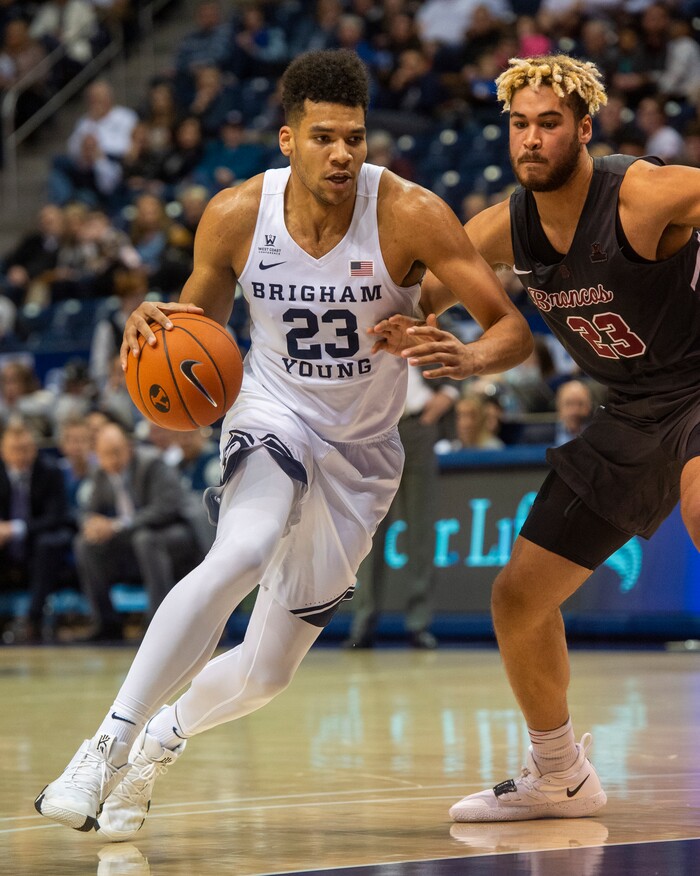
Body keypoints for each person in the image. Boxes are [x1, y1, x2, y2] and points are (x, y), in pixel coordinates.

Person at [34, 49, 531, 838]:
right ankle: (103, 745)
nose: (343, 153)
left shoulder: (410, 212)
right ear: (286, 139)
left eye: (356, 138)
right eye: (325, 137)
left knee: (267, 673)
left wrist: (467, 356)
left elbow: (512, 331)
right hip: (273, 415)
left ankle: (157, 746)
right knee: (240, 548)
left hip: (364, 453)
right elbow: (189, 333)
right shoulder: (235, 214)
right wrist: (150, 324)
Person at [371, 53, 700, 823]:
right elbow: (424, 291)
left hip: (698, 389)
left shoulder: (644, 193)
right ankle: (561, 775)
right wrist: (388, 326)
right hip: (627, 413)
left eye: (549, 123)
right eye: (519, 124)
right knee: (518, 598)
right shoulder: (503, 226)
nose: (531, 139)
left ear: (584, 130)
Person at [344, 365, 459, 649]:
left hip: (417, 427)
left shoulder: (426, 322)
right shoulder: (363, 324)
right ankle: (363, 624)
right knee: (370, 532)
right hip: (374, 431)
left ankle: (419, 624)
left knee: (421, 529)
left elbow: (461, 358)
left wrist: (448, 393)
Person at [74, 421, 202, 641]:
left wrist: (115, 526)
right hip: (134, 539)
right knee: (84, 544)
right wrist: (92, 525)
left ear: (128, 448)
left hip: (177, 533)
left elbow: (165, 508)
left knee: (145, 540)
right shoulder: (100, 474)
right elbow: (88, 512)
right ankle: (107, 623)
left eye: (117, 452)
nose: (112, 460)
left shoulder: (151, 463)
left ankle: (158, 624)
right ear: (97, 455)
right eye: (106, 454)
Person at [0, 418, 73, 643]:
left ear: (34, 449)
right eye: (14, 449)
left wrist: (14, 529)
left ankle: (33, 620)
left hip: (37, 548)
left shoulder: (50, 471)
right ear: (3, 451)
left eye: (25, 449)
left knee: (48, 542)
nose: (20, 455)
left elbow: (56, 517)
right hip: (5, 551)